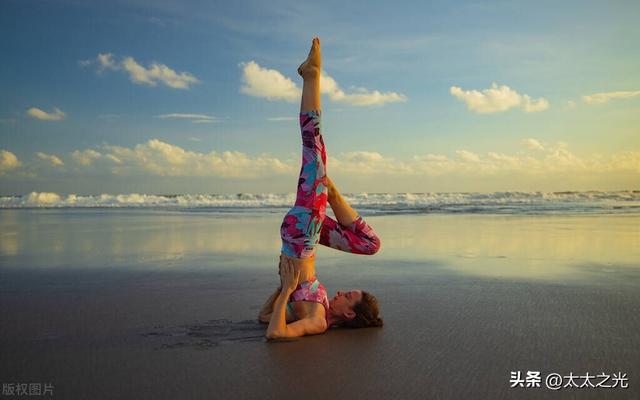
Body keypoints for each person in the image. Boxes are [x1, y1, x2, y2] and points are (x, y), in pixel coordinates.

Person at [258, 37, 383, 340]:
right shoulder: (322, 309)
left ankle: (311, 75)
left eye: (347, 296)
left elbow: (275, 334)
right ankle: (329, 188)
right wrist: (280, 290)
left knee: (313, 143)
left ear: (349, 312)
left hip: (303, 234)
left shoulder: (318, 321)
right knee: (371, 245)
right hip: (304, 234)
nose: (340, 292)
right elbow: (263, 317)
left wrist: (287, 288)